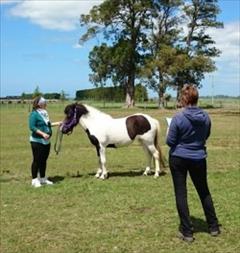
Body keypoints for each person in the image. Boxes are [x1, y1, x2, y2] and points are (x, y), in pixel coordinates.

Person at [166, 84, 220, 242]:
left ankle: (187, 231)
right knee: (204, 191)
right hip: (198, 157)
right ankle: (213, 226)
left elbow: (170, 141)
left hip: (178, 158)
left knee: (181, 194)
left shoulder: (178, 118)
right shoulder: (206, 117)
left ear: (184, 99)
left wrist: (170, 130)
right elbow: (206, 135)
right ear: (196, 99)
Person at [29, 96, 62, 188]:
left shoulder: (45, 113)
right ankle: (34, 180)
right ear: (40, 104)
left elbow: (48, 124)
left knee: (43, 160)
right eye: (44, 102)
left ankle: (43, 178)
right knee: (37, 160)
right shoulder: (34, 114)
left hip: (46, 141)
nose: (46, 104)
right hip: (37, 141)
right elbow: (32, 127)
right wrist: (43, 134)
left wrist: (57, 123)